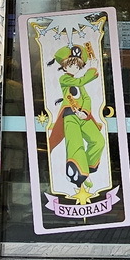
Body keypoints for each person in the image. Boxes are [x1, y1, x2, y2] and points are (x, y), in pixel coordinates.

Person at [48, 44, 106, 189]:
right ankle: (79, 175)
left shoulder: (80, 83)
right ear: (64, 66)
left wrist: (84, 112)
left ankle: (87, 169)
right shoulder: (65, 79)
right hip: (70, 116)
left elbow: (87, 98)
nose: (74, 68)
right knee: (75, 144)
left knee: (98, 141)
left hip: (83, 116)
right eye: (71, 65)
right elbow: (80, 81)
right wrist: (93, 69)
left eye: (77, 65)